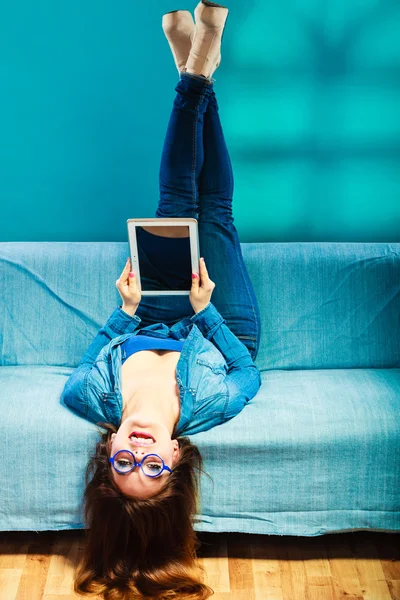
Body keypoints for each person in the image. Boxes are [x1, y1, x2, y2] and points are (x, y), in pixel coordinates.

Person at [61, 2, 262, 598]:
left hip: (150, 311)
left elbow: (95, 352)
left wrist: (122, 312)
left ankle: (196, 70)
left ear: (109, 448)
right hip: (217, 319)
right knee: (216, 209)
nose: (141, 454)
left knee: (178, 196)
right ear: (176, 456)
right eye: (155, 470)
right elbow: (248, 370)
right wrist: (205, 310)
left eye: (125, 465)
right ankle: (194, 65)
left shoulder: (86, 396)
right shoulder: (213, 407)